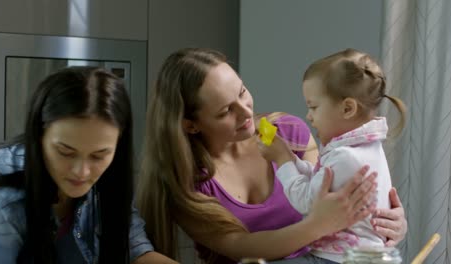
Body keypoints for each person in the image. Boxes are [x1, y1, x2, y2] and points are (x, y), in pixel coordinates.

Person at [136, 48, 407, 264]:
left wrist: (383, 222)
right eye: (225, 111)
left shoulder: (288, 132)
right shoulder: (187, 183)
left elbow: (330, 193)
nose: (245, 112)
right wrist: (317, 225)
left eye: (242, 92)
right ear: (190, 125)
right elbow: (242, 248)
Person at [0, 67, 178, 263]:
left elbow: (135, 249)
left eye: (98, 156)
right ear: (39, 136)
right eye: (66, 152)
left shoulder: (112, 176)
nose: (82, 172)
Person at [258, 48, 406, 263]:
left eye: (314, 107)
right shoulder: (364, 148)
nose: (309, 116)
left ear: (347, 108)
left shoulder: (347, 156)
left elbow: (306, 201)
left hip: (340, 258)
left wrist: (282, 160)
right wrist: (292, 159)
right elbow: (321, 179)